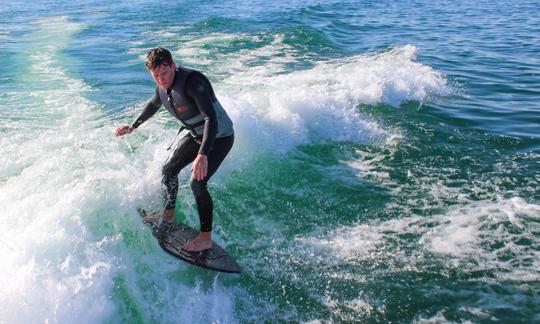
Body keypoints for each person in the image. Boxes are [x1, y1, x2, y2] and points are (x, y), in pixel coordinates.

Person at [115, 48, 234, 252]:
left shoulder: (194, 84)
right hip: (196, 135)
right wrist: (134, 126)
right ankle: (168, 215)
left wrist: (203, 155)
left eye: (164, 74)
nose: (161, 80)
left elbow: (210, 119)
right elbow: (154, 104)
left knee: (197, 183)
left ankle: (205, 237)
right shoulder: (161, 86)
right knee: (168, 170)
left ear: (173, 66)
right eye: (156, 76)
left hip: (219, 137)